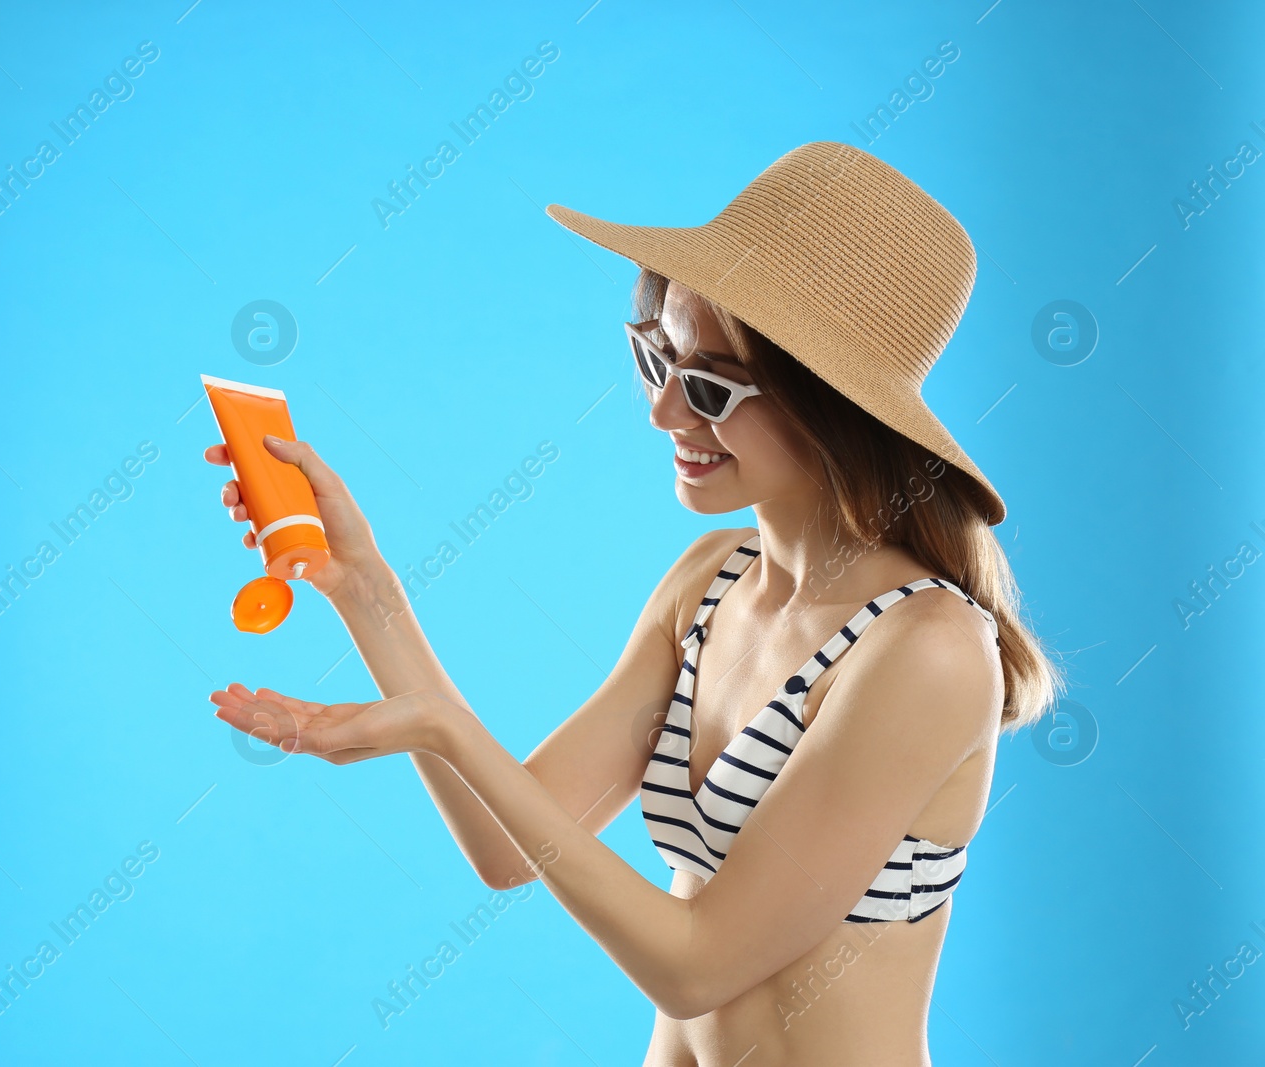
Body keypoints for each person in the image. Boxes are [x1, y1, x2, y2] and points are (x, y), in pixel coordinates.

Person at [206, 141, 1063, 1066]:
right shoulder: (710, 580)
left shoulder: (925, 648)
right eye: (656, 361)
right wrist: (366, 589)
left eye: (708, 388)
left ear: (832, 404)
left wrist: (442, 729)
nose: (663, 414)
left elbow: (697, 966)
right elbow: (509, 845)